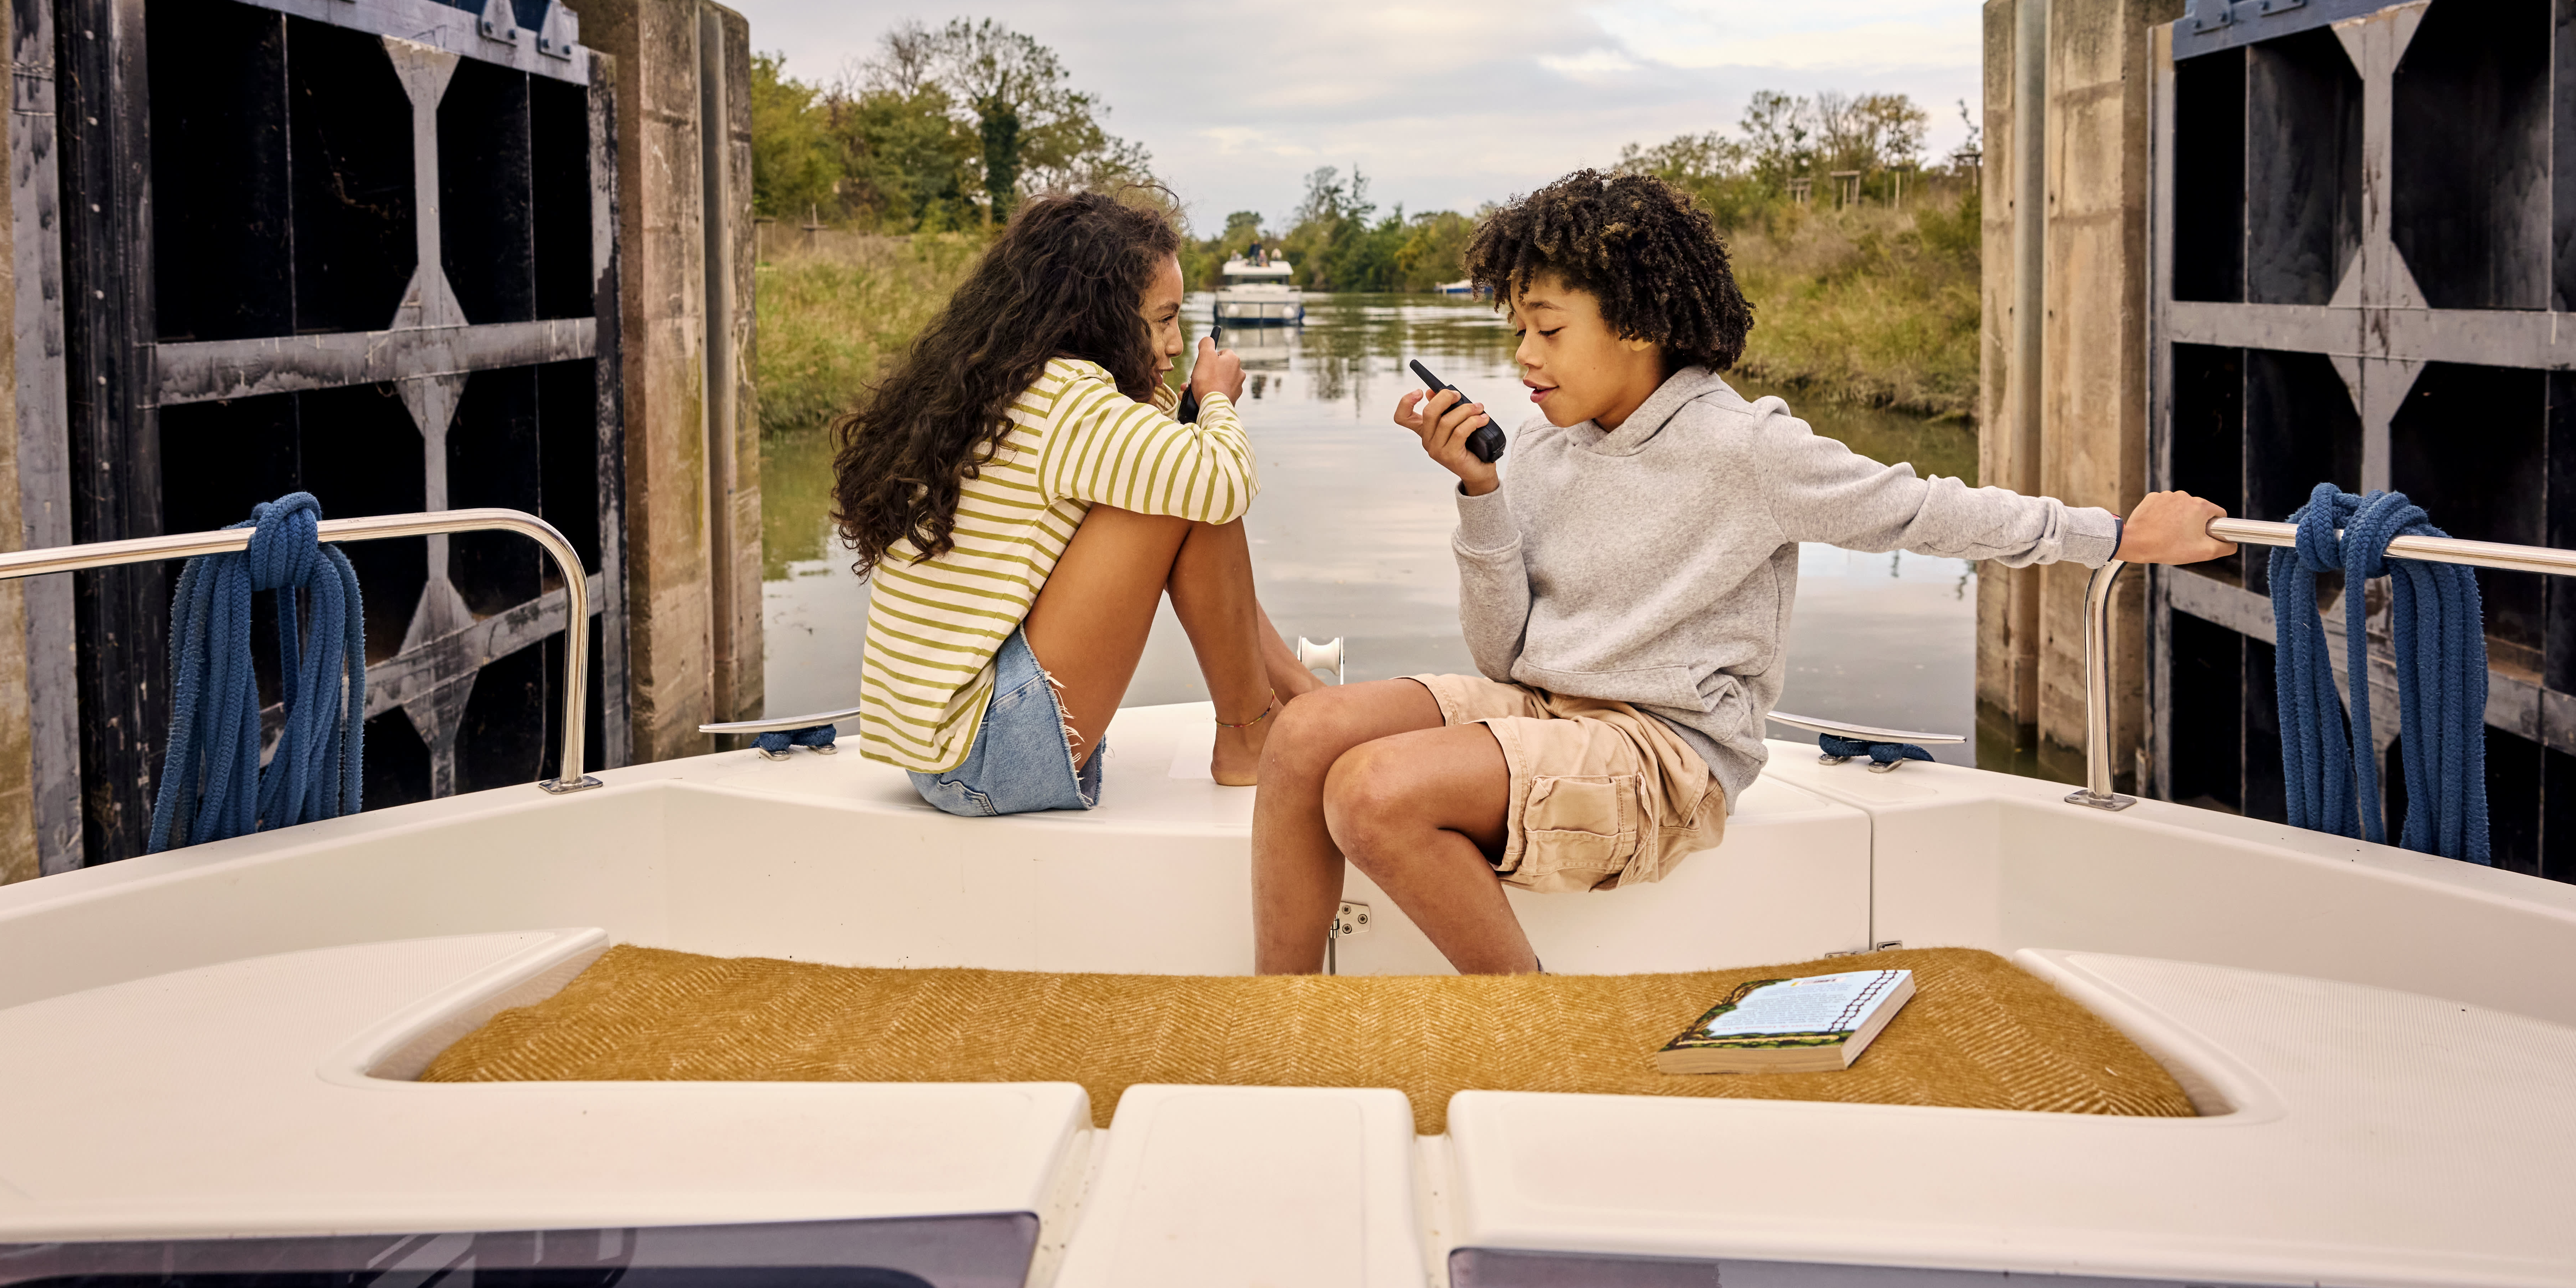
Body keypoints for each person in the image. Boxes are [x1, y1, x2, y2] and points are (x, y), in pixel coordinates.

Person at [1249, 168, 2232, 973]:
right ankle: (1281, 1017)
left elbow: (1926, 509)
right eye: (1518, 331)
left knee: (1375, 791)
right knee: (1306, 734)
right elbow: (1500, 652)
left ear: (1636, 322)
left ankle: (1531, 1027)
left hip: (1667, 757)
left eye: (1548, 330)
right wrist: (1480, 494)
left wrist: (2115, 536)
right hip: (1546, 709)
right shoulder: (1544, 451)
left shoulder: (1747, 449)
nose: (1525, 357)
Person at [835, 191, 1325, 815]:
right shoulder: (1069, 399)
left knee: (1169, 470)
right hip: (989, 758)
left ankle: (1295, 698)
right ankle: (1254, 735)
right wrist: (1217, 397)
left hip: (940, 753)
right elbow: (1222, 480)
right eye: (1164, 319)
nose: (1176, 344)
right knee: (1183, 487)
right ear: (1103, 316)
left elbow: (1148, 455)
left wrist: (1171, 409)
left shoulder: (1009, 382)